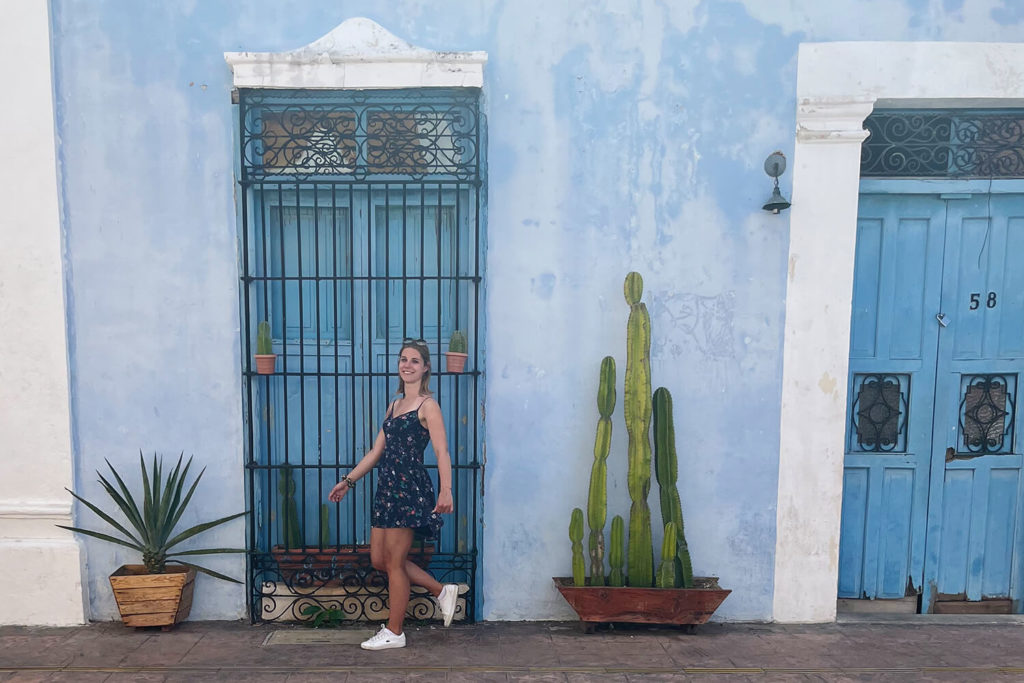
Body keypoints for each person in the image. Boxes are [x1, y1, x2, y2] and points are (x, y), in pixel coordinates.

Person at [328, 338, 458, 650]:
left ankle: (395, 631)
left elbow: (441, 451)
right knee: (379, 559)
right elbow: (376, 451)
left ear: (425, 367)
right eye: (403, 359)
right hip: (386, 487)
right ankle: (441, 590)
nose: (407, 365)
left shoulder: (428, 406)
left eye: (414, 360)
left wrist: (446, 490)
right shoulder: (394, 405)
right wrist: (349, 480)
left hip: (409, 488)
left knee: (396, 561)